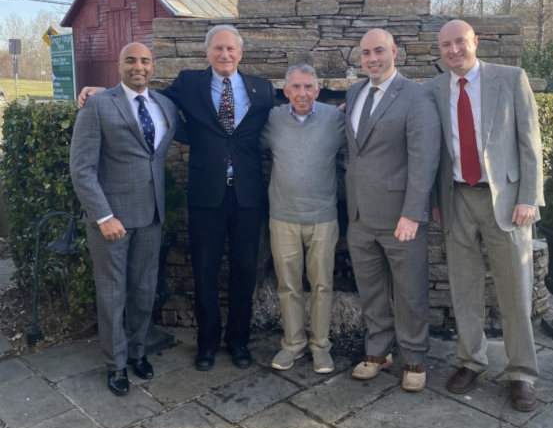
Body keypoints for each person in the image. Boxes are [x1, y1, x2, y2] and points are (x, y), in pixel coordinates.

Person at [79, 24, 276, 372]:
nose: (225, 55)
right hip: (205, 195)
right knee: (204, 270)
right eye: (218, 49)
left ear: (240, 54)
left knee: (245, 270)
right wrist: (100, 90)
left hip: (248, 195)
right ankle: (207, 344)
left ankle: (238, 341)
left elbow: (293, 102)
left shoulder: (261, 89)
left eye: (231, 49)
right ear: (207, 53)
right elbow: (142, 96)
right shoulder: (188, 83)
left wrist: (332, 104)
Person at [429, 19, 544, 412]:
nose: (454, 50)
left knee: (514, 288)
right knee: (464, 286)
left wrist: (529, 196)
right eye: (446, 45)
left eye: (460, 42)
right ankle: (471, 361)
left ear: (475, 41)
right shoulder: (433, 89)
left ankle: (522, 373)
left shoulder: (510, 79)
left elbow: (530, 143)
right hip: (457, 197)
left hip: (507, 200)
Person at [70, 43, 182, 395]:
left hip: (150, 215)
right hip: (111, 221)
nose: (139, 66)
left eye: (145, 61)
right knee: (112, 293)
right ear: (119, 65)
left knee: (143, 289)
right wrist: (103, 216)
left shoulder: (166, 106)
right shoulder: (98, 105)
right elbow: (82, 168)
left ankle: (137, 351)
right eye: (131, 60)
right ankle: (115, 364)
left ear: (153, 66)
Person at [345, 28, 441, 392]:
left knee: (410, 291)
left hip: (400, 217)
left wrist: (413, 213)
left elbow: (424, 158)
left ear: (394, 52)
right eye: (366, 52)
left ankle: (415, 357)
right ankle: (378, 352)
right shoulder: (355, 92)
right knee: (370, 289)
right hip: (358, 215)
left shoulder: (417, 96)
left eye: (379, 51)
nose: (372, 58)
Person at [260, 65, 346, 374]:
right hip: (282, 216)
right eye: (295, 87)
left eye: (308, 87)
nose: (302, 93)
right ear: (285, 91)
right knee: (288, 285)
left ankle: (321, 346)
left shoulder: (335, 119)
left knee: (322, 284)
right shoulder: (272, 119)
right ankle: (292, 344)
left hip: (323, 216)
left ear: (318, 89)